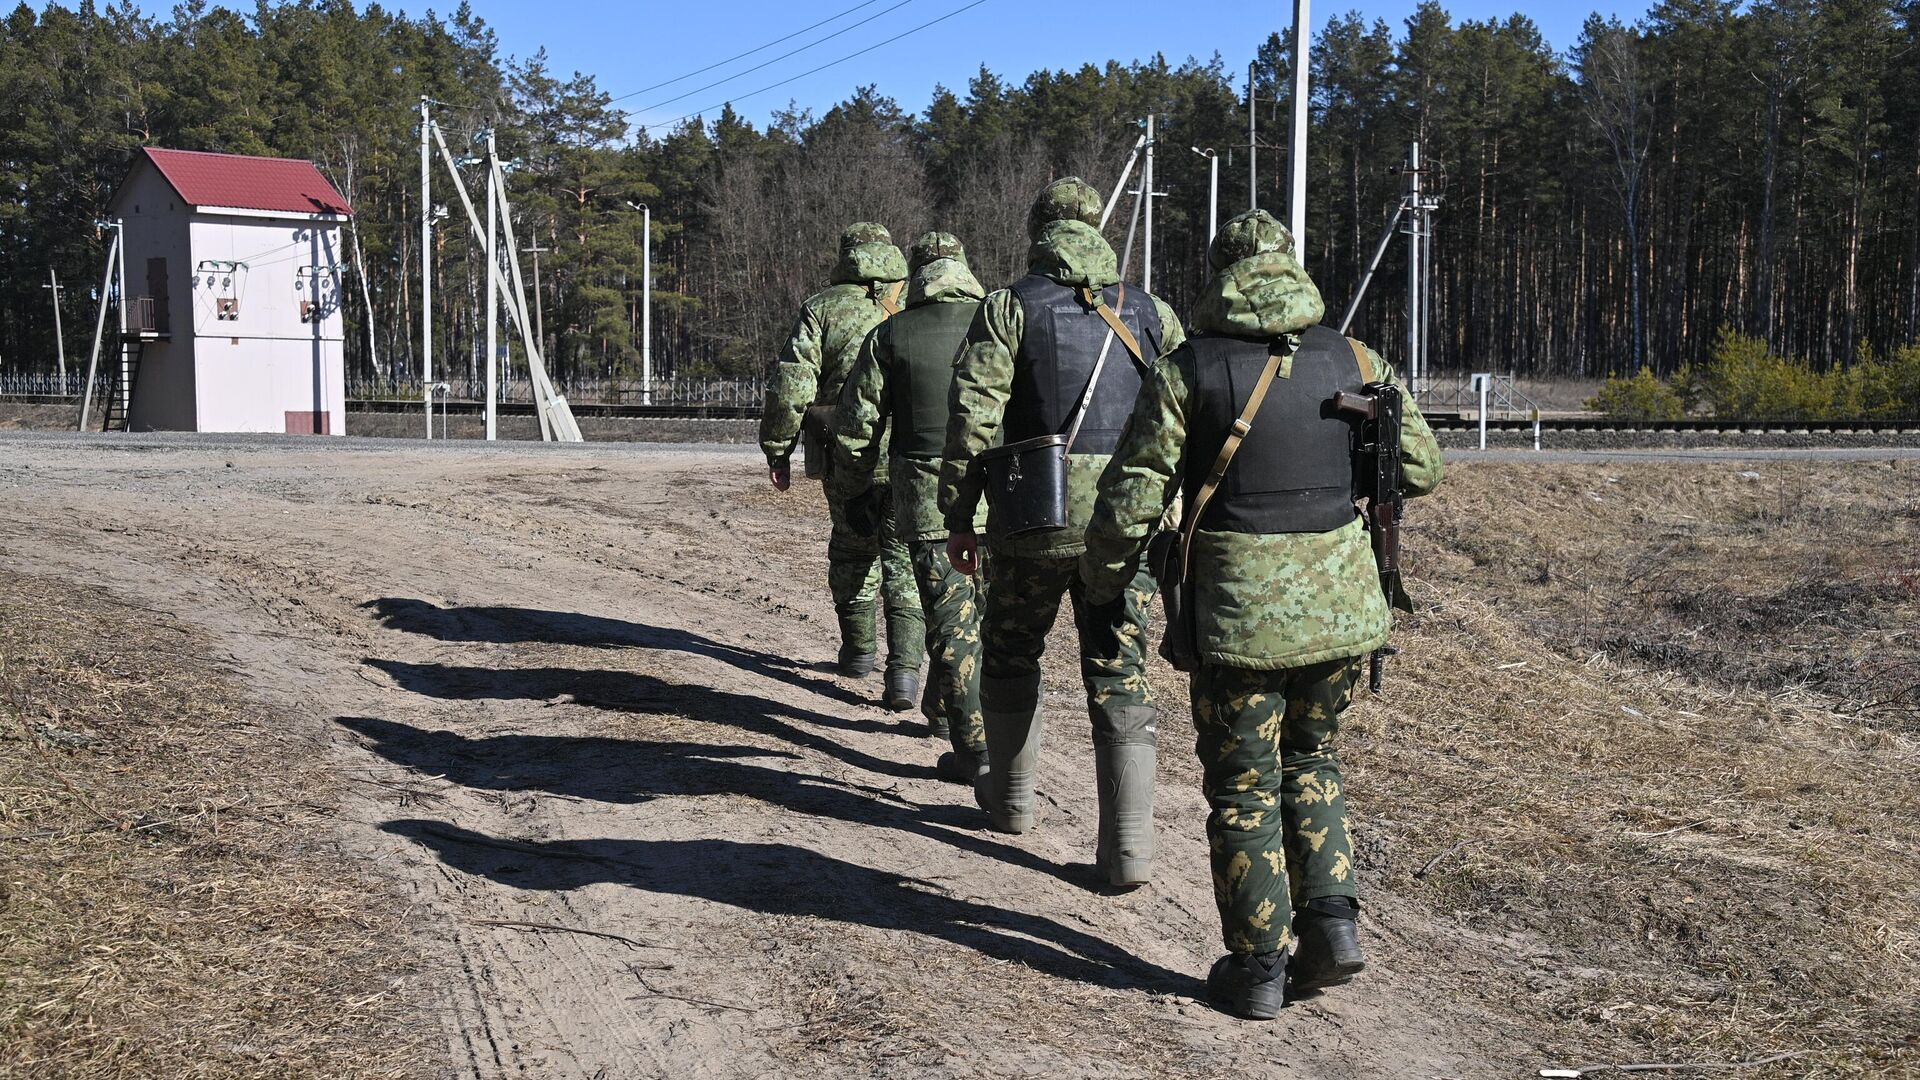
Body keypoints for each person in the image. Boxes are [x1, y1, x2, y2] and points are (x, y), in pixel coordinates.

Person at [1079, 209, 1444, 1019]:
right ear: (1291, 266)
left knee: (1244, 790)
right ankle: (1333, 929)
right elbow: (1420, 469)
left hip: (1241, 618)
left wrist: (1106, 581)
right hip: (1345, 610)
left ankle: (1256, 971)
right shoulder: (1356, 357)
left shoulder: (1191, 368)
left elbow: (1134, 497)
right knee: (1314, 764)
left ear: (1221, 273)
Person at [938, 178, 1184, 888]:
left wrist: (962, 516)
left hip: (1031, 520)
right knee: (1118, 667)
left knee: (1012, 648)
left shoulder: (1009, 306)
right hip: (1125, 524)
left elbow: (974, 418)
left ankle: (1012, 802)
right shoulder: (1150, 311)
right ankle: (1128, 852)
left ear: (1039, 231)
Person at [830, 232, 991, 780]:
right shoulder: (1002, 323)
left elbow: (856, 431)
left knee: (948, 619)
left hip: (926, 498)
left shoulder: (891, 333)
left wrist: (853, 493)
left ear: (914, 275)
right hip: (1008, 495)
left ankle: (971, 746)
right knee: (991, 617)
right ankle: (949, 710)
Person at [759, 223, 925, 708]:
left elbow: (793, 385)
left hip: (843, 452)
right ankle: (905, 674)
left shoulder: (823, 308)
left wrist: (777, 448)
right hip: (910, 453)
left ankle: (857, 654)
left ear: (847, 255)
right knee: (903, 559)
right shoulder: (919, 301)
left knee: (852, 550)